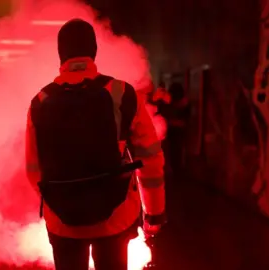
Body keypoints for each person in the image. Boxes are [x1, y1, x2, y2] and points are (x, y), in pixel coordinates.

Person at [25, 19, 166, 270]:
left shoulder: (40, 100)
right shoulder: (122, 92)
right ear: (93, 51)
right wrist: (154, 214)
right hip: (116, 217)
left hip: (62, 223)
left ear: (61, 55)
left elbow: (33, 170)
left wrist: (63, 202)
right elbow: (151, 159)